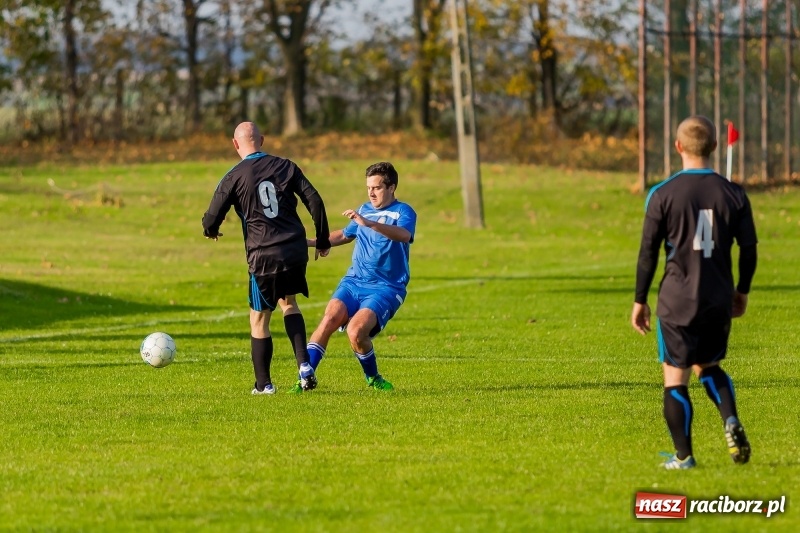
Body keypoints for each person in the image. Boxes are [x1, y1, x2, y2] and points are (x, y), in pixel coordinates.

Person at [632, 115, 758, 470]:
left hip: (677, 299)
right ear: (715, 147)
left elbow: (648, 253)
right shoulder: (733, 193)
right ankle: (730, 418)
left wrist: (640, 300)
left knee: (675, 375)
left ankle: (684, 456)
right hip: (718, 297)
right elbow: (749, 249)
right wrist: (742, 291)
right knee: (710, 365)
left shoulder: (662, 194)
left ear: (678, 147)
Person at [202, 121, 331, 395]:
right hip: (295, 251)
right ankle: (304, 366)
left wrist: (210, 230)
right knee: (290, 303)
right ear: (262, 139)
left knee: (259, 318)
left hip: (263, 255)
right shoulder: (286, 165)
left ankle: (264, 385)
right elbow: (315, 201)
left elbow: (212, 216)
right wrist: (322, 240)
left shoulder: (234, 176)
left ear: (236, 144)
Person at [302, 162, 417, 391]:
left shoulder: (403, 212)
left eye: (377, 187)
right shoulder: (364, 209)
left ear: (392, 187)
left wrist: (370, 223)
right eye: (368, 188)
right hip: (354, 281)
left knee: (356, 332)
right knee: (329, 318)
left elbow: (404, 235)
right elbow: (345, 234)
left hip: (386, 287)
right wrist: (313, 242)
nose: (371, 193)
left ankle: (373, 378)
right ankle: (305, 377)